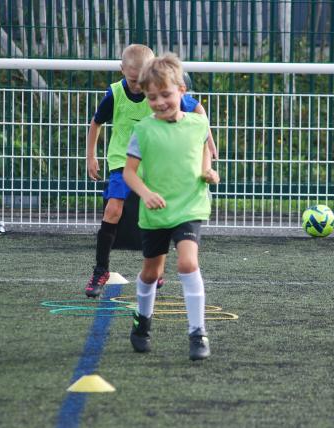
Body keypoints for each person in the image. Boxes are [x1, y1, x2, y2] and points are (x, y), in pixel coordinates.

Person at [85, 44, 217, 298]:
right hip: (122, 160)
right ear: (122, 69)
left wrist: (208, 138)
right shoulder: (114, 94)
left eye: (140, 81)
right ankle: (101, 270)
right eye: (132, 80)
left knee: (160, 212)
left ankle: (156, 270)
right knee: (114, 209)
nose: (137, 87)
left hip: (156, 160)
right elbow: (97, 123)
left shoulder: (159, 92)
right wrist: (91, 156)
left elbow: (197, 109)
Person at [123, 53, 219, 361]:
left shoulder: (198, 122)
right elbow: (129, 173)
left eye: (166, 94)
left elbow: (204, 144)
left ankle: (197, 332)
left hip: (190, 205)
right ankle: (142, 321)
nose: (160, 101)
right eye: (152, 97)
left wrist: (207, 170)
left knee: (188, 264)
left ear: (181, 91)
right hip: (156, 211)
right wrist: (146, 193)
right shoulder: (144, 131)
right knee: (152, 273)